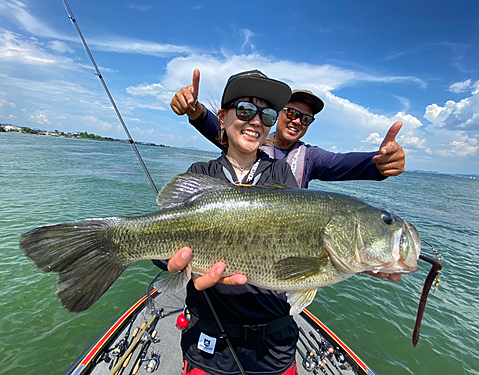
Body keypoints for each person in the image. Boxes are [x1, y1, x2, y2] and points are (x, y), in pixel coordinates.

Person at [170, 68, 407, 282]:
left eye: (306, 119)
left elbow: (342, 163)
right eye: (291, 112)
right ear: (279, 114)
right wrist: (196, 112)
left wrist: (379, 162)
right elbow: (228, 128)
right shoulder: (251, 140)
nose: (297, 121)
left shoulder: (306, 158)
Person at [154, 70, 301, 375]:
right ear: (222, 117)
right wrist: (170, 262)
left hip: (274, 347)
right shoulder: (200, 172)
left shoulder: (282, 176)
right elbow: (162, 243)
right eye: (246, 110)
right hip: (207, 345)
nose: (256, 120)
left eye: (267, 114)